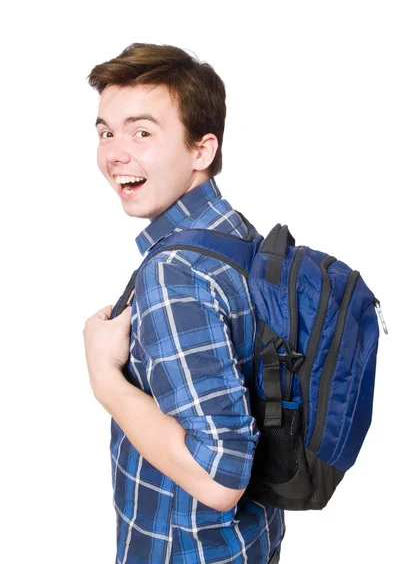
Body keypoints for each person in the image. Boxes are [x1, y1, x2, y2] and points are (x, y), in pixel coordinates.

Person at [83, 43, 284, 564]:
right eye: (106, 131)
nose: (115, 153)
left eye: (142, 132)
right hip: (247, 543)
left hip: (184, 549)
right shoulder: (235, 232)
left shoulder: (174, 274)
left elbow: (221, 477)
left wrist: (105, 378)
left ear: (202, 150)